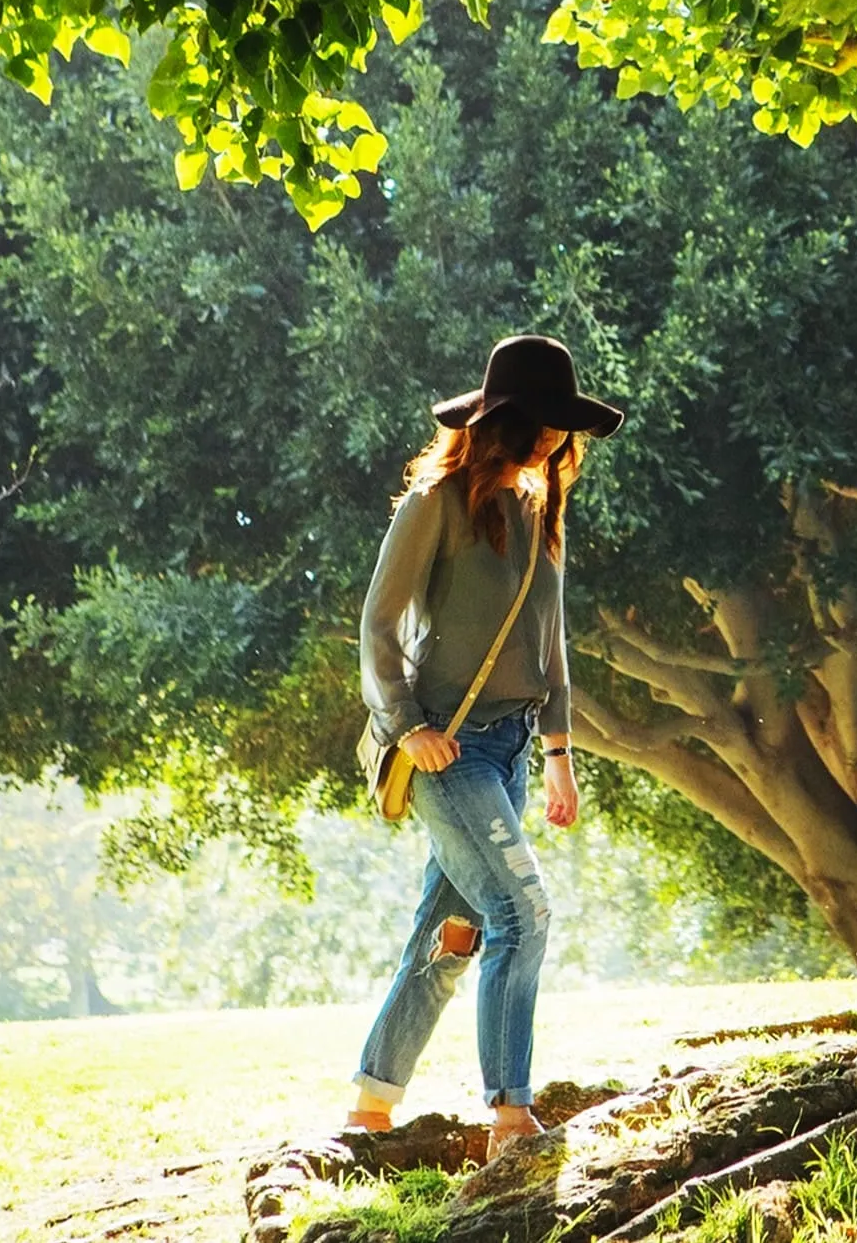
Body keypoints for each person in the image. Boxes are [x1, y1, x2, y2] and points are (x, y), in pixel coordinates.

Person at [347, 335, 623, 1139]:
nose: (553, 440)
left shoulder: (540, 511)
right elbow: (378, 622)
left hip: (511, 753)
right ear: (503, 419)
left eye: (560, 428)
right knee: (523, 910)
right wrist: (407, 726)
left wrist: (561, 756)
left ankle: (370, 1100)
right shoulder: (435, 502)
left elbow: (553, 644)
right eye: (542, 422)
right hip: (447, 748)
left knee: (451, 931)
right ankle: (510, 1110)